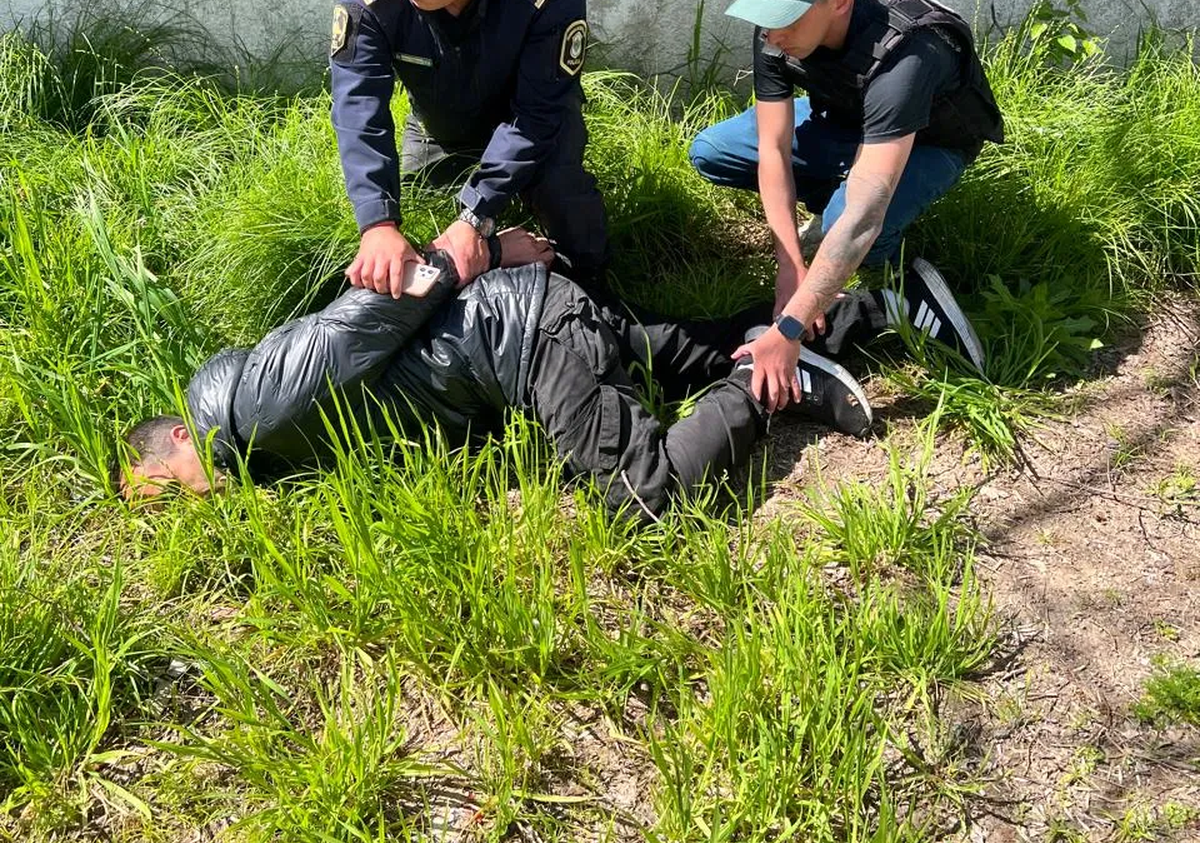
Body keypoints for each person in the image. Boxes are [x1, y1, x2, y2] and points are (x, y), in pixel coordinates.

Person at [113, 231, 985, 518]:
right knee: (664, 351)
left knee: (643, 497)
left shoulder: (251, 412)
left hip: (520, 335)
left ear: (180, 436)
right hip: (518, 335)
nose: (183, 503)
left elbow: (376, 309)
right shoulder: (262, 447)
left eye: (166, 486)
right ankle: (887, 309)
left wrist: (488, 251)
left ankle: (768, 385)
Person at [689, 0, 1003, 410]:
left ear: (838, 1)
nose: (771, 34)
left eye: (786, 19)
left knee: (849, 222)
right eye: (766, 15)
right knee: (712, 151)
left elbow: (863, 216)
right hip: (843, 118)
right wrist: (791, 266)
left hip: (928, 143)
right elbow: (773, 148)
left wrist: (788, 328)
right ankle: (834, 206)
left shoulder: (906, 54)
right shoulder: (780, 22)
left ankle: (903, 284)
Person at [330, 0, 610, 296]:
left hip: (532, 125)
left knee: (570, 216)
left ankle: (580, 296)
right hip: (440, 128)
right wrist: (377, 222)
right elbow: (357, 107)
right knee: (410, 240)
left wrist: (475, 215)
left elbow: (539, 112)